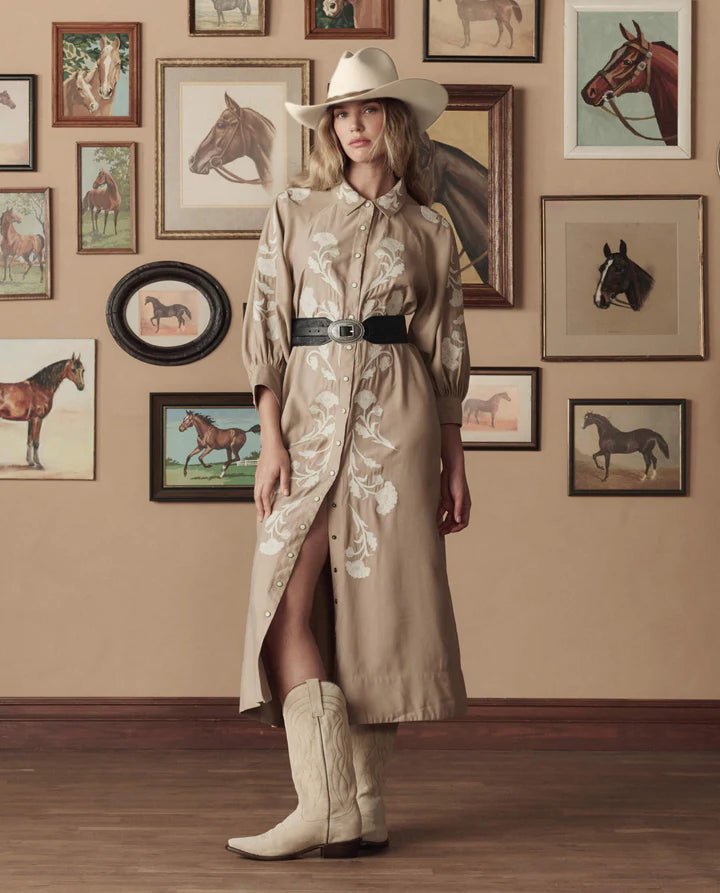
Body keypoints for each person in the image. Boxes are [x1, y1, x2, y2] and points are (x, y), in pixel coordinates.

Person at [226, 47, 471, 861]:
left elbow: (445, 346)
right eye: (341, 113)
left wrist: (455, 458)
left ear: (394, 121)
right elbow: (265, 324)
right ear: (329, 126)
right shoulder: (295, 212)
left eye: (368, 110)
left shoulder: (430, 228)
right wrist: (270, 439)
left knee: (377, 611)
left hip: (397, 421)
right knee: (284, 606)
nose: (354, 125)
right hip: (306, 417)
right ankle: (325, 802)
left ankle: (364, 806)